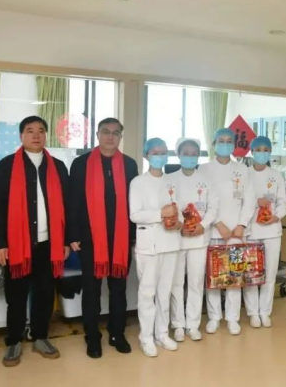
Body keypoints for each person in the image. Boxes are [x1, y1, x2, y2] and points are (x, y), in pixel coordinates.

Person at [0, 116, 71, 367]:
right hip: (17, 246)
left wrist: (66, 242)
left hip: (49, 244)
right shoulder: (6, 166)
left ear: (46, 135)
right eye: (30, 130)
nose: (36, 135)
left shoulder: (58, 167)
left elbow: (67, 207)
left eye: (41, 130)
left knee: (45, 295)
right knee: (16, 296)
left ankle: (40, 337)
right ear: (21, 136)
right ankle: (14, 340)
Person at [67, 118, 139, 359]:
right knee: (92, 290)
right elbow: (73, 201)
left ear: (120, 137)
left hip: (120, 237)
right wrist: (72, 234)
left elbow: (134, 203)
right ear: (97, 135)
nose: (110, 136)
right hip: (90, 238)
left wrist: (133, 236)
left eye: (115, 133)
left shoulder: (129, 165)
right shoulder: (81, 164)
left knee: (118, 289)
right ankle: (92, 336)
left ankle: (117, 333)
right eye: (106, 132)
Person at [200, 128, 256, 336]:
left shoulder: (242, 170)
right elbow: (202, 202)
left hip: (237, 233)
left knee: (235, 275)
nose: (225, 144)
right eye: (220, 141)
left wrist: (241, 224)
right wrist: (217, 224)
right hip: (214, 230)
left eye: (228, 141)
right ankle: (214, 317)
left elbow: (249, 200)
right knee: (214, 276)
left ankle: (232, 317)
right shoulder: (204, 170)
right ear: (214, 144)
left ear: (234, 144)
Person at [129, 138, 181, 357]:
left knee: (164, 292)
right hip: (149, 245)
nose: (160, 156)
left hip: (170, 242)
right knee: (147, 293)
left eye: (163, 152)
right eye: (155, 152)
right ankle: (146, 337)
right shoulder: (138, 182)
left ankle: (162, 333)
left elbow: (178, 210)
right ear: (147, 155)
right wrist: (161, 214)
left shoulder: (172, 181)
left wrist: (178, 222)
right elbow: (135, 215)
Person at [170, 138, 219, 343]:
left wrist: (202, 225)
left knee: (196, 282)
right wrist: (180, 226)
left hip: (199, 238)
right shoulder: (169, 179)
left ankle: (193, 324)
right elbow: (167, 207)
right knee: (176, 283)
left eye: (194, 154)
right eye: (186, 153)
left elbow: (213, 207)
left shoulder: (206, 180)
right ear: (178, 155)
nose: (190, 157)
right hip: (177, 238)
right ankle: (178, 324)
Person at [243, 136, 286, 329]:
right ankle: (253, 312)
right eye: (258, 150)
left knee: (270, 273)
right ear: (252, 152)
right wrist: (256, 202)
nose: (262, 153)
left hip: (271, 230)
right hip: (251, 230)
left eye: (266, 150)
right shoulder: (244, 174)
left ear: (270, 152)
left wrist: (276, 216)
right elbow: (239, 200)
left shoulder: (276, 175)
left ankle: (265, 311)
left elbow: (283, 201)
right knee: (252, 273)